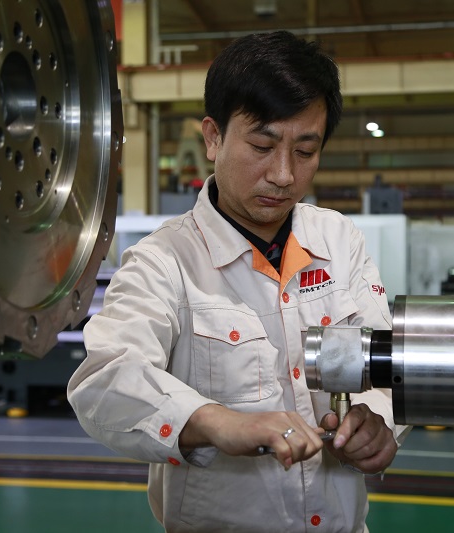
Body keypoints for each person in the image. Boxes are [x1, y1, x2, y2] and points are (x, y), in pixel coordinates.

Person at [67, 30, 410, 532]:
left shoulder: (339, 241)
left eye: (306, 151)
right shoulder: (164, 261)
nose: (283, 175)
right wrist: (215, 422)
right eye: (262, 146)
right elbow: (104, 381)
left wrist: (378, 424)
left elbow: (387, 364)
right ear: (213, 137)